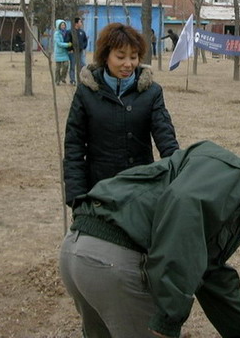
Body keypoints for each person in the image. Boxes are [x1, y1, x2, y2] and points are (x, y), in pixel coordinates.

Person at [59, 139, 240, 338]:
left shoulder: (216, 173)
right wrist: (168, 318)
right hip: (113, 262)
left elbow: (209, 270)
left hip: (77, 251)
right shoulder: (235, 179)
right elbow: (183, 216)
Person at [63, 22, 179, 210]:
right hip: (99, 192)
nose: (128, 64)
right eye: (120, 56)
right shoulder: (86, 92)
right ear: (105, 56)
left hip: (141, 191)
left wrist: (180, 174)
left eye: (133, 57)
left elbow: (166, 139)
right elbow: (74, 147)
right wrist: (77, 198)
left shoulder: (152, 92)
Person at [67, 17, 89, 85]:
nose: (81, 23)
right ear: (76, 23)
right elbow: (67, 41)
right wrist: (70, 49)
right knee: (73, 66)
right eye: (80, 22)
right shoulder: (70, 31)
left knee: (83, 65)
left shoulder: (82, 32)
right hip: (73, 52)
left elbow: (85, 40)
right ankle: (72, 80)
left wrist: (84, 46)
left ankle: (81, 79)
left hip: (80, 52)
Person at [53, 20, 71, 85]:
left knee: (66, 65)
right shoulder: (56, 33)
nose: (63, 26)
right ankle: (57, 80)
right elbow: (59, 43)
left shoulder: (66, 32)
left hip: (65, 52)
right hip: (58, 52)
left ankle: (63, 77)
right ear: (59, 26)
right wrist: (67, 45)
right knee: (58, 68)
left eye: (64, 25)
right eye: (62, 25)